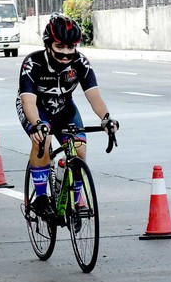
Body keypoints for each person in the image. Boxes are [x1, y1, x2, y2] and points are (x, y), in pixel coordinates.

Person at [16, 13, 118, 217]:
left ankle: (75, 199)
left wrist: (106, 118)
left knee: (80, 150)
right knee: (42, 141)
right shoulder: (32, 63)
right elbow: (28, 100)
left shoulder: (80, 62)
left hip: (65, 108)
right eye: (60, 47)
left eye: (71, 48)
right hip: (37, 108)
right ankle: (42, 198)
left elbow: (94, 96)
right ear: (48, 44)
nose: (65, 54)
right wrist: (36, 124)